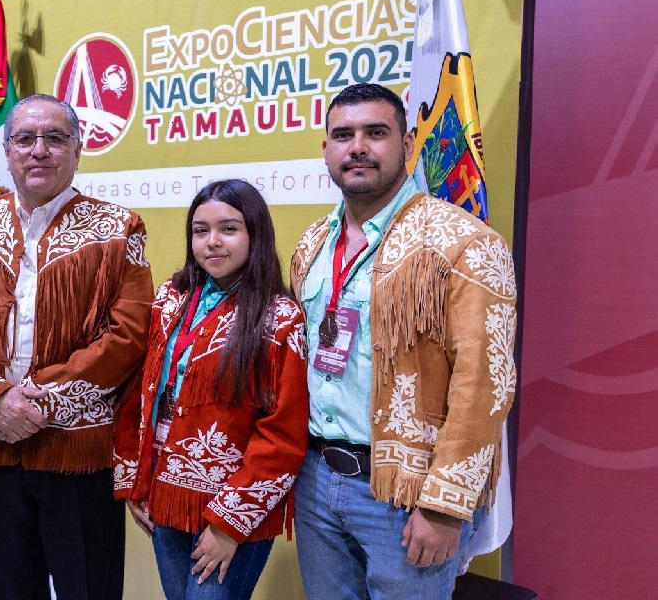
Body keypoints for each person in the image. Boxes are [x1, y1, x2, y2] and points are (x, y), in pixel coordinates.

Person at [0, 94, 154, 600]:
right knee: (6, 590)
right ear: (7, 151)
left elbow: (127, 335)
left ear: (77, 150)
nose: (38, 150)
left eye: (54, 138)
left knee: (88, 589)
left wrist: (42, 403)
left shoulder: (119, 229)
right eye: (24, 139)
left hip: (78, 451)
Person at [289, 83, 517, 600]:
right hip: (316, 479)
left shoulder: (465, 243)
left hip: (406, 493)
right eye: (343, 135)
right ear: (326, 149)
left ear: (408, 144)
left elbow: (485, 384)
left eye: (376, 132)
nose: (358, 147)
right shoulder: (312, 243)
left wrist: (445, 506)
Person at [113, 179, 310, 600]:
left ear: (255, 234)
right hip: (164, 497)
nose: (212, 242)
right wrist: (135, 481)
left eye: (229, 229)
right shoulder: (171, 297)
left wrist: (228, 527)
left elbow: (283, 433)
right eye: (200, 231)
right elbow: (141, 393)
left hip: (233, 509)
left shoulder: (280, 317)